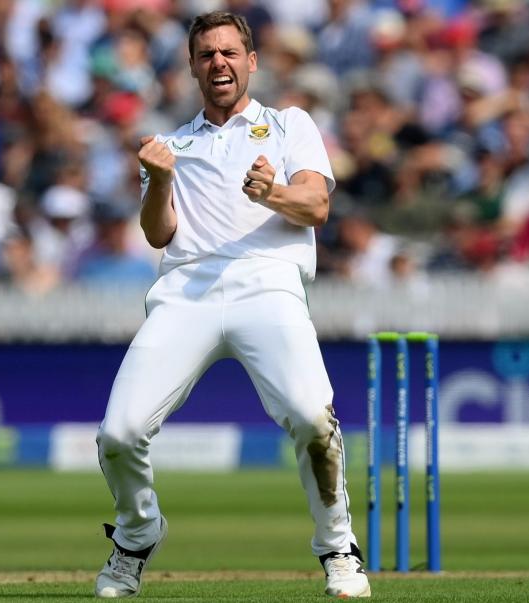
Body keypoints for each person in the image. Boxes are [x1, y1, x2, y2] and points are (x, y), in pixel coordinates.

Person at [93, 11, 370, 600]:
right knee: (118, 433)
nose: (218, 63)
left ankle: (338, 547)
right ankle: (138, 534)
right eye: (206, 55)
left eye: (228, 53)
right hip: (186, 288)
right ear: (193, 67)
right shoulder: (171, 144)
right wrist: (159, 180)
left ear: (251, 62)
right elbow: (158, 235)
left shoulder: (290, 123)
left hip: (267, 282)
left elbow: (317, 207)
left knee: (312, 417)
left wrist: (272, 192)